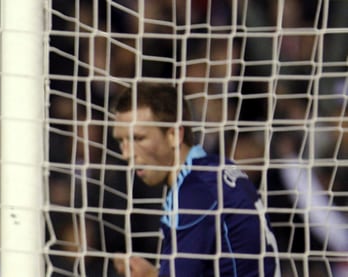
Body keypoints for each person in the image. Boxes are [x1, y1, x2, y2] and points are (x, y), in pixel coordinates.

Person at [110, 82, 279, 277]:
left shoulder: (193, 194)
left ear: (174, 134)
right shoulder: (219, 167)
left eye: (137, 138)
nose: (126, 153)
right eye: (121, 141)